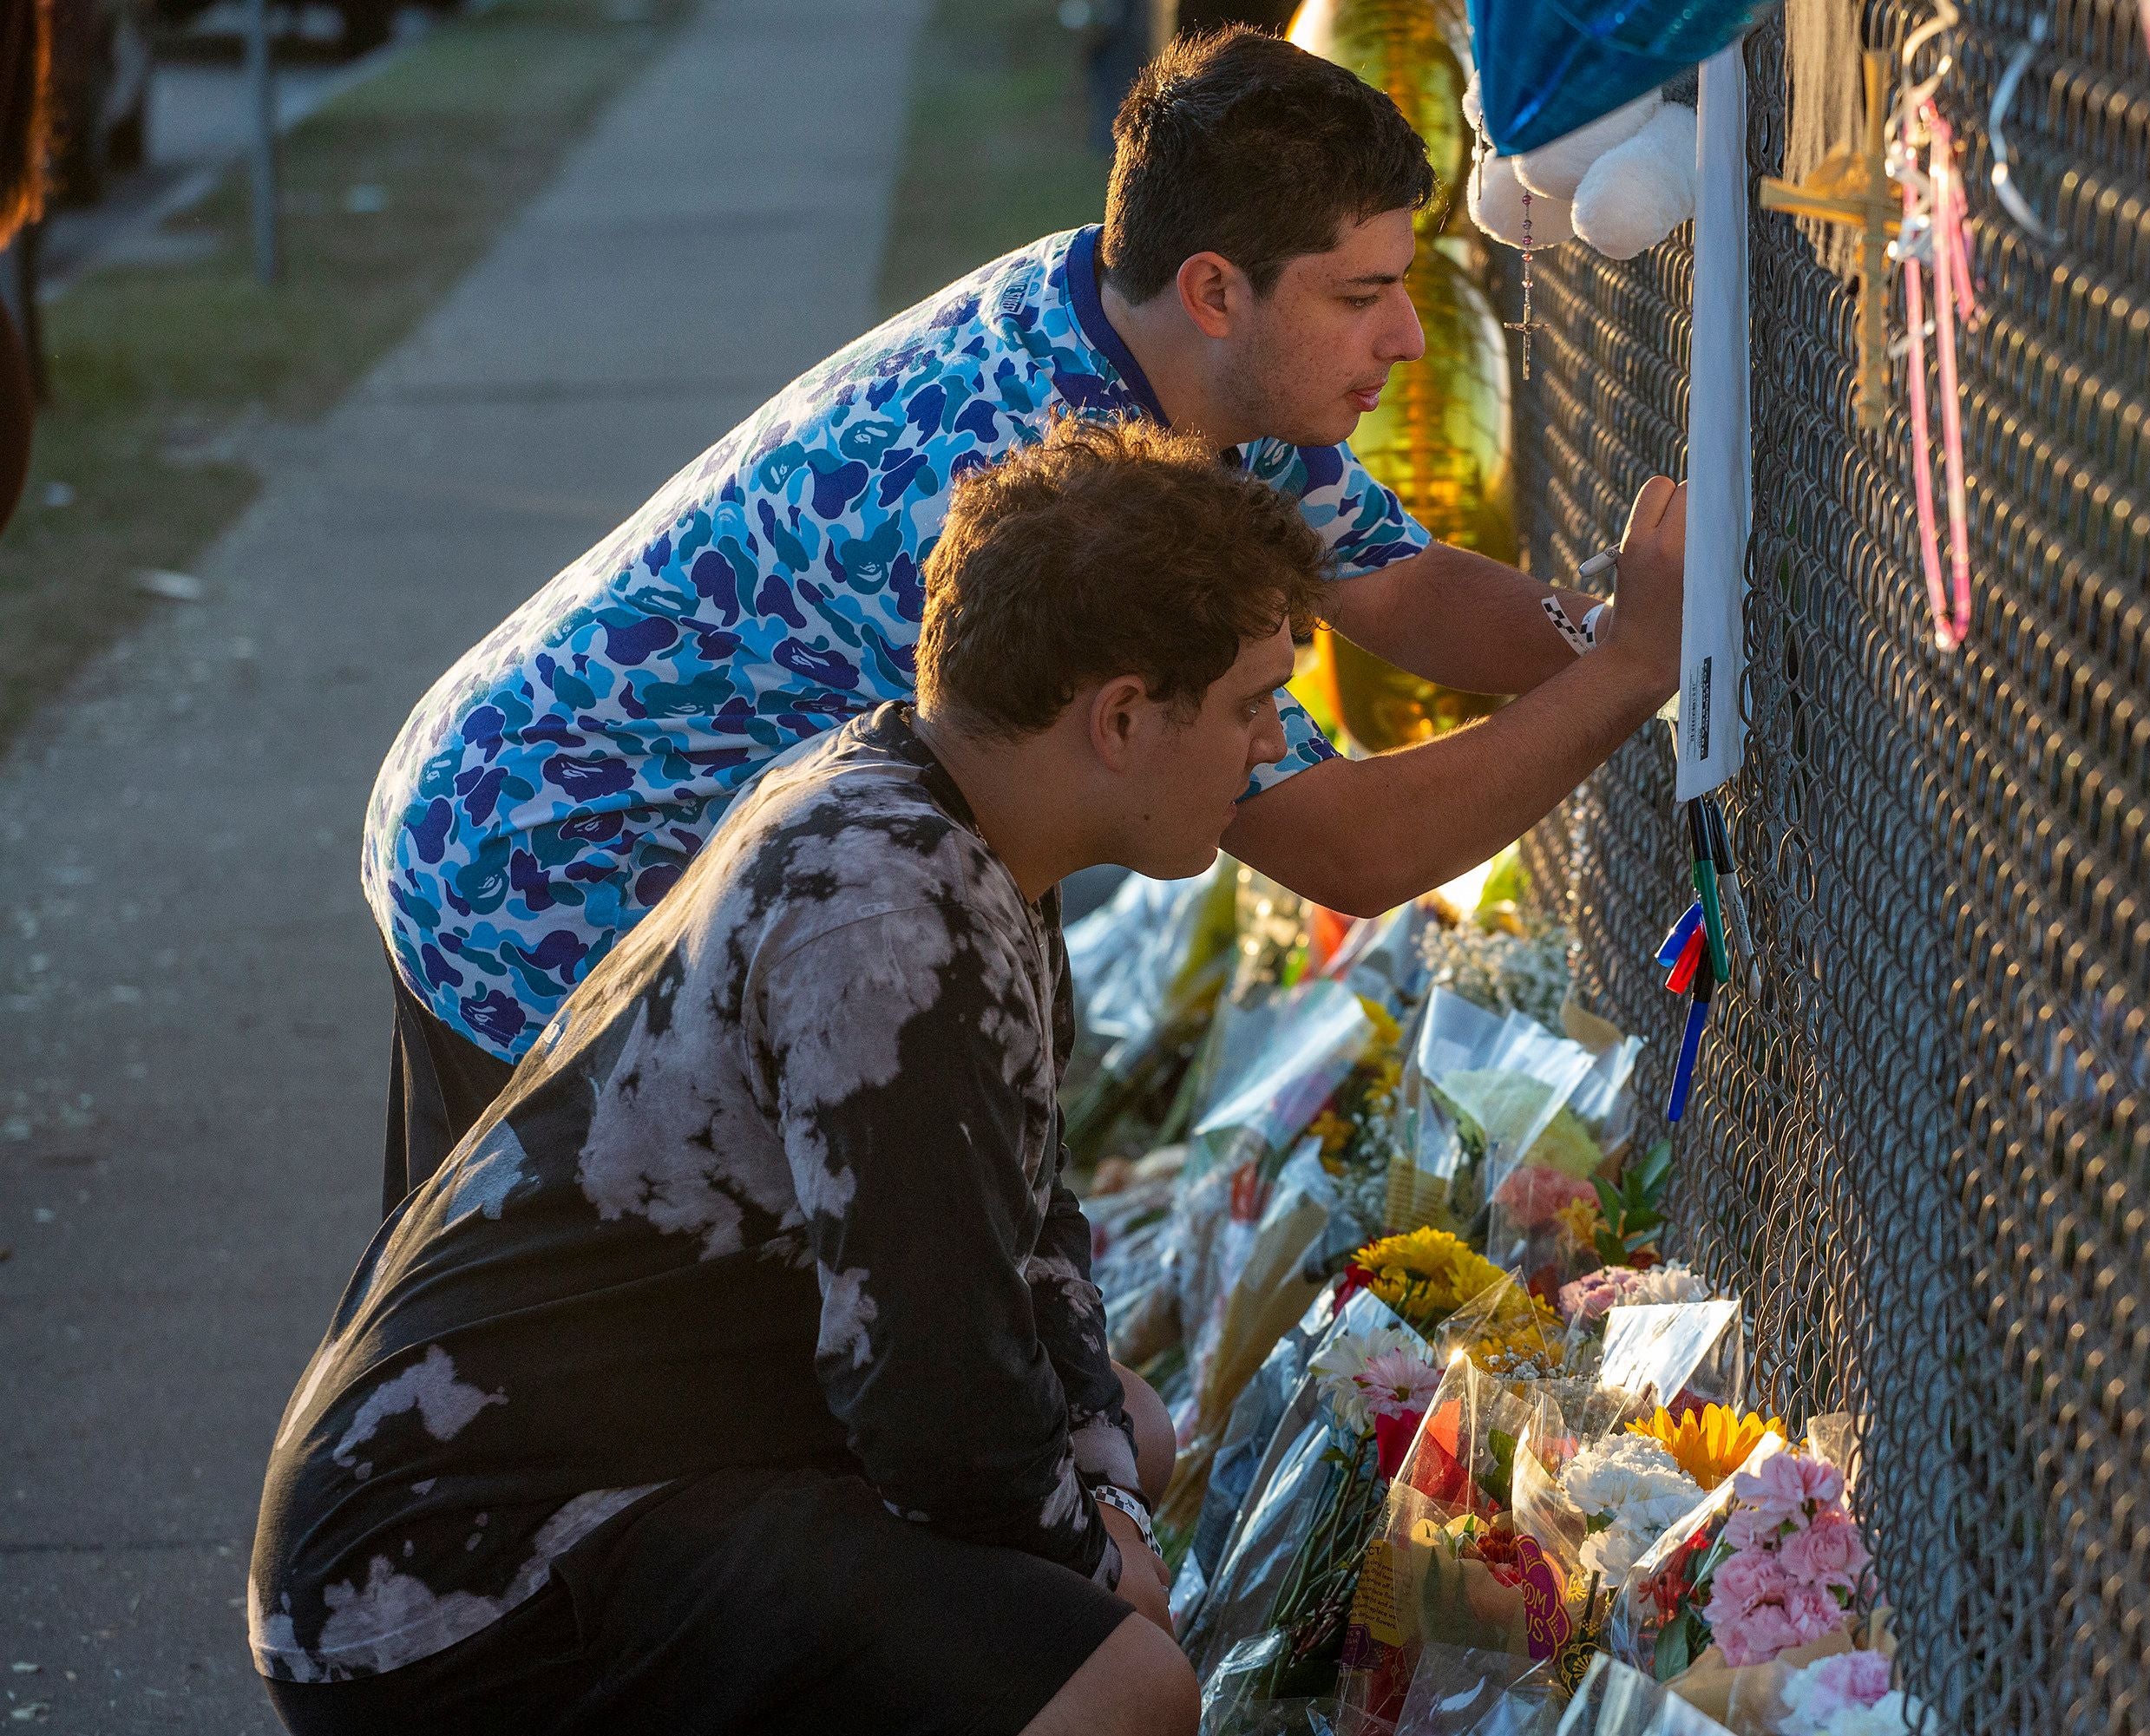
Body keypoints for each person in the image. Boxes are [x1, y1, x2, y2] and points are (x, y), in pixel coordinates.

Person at [365, 24, 1688, 1209]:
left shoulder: (1155, 329)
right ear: (1219, 288)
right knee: (558, 1402)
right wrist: (1626, 669)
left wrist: (1625, 631)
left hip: (531, 792)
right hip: (538, 872)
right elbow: (1349, 845)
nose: (1407, 338)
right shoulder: (1083, 497)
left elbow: (1402, 584)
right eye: (1362, 297)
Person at [253, 420, 1397, 1733]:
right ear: (1124, 718)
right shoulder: (887, 921)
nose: (1272, 745)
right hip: (446, 1582)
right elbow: (930, 1389)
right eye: (1255, 704)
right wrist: (1093, 1569)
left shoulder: (944, 816)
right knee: (1128, 1688)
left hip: (592, 1461)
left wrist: (1104, 1494)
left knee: (1125, 1431)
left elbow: (1027, 1228)